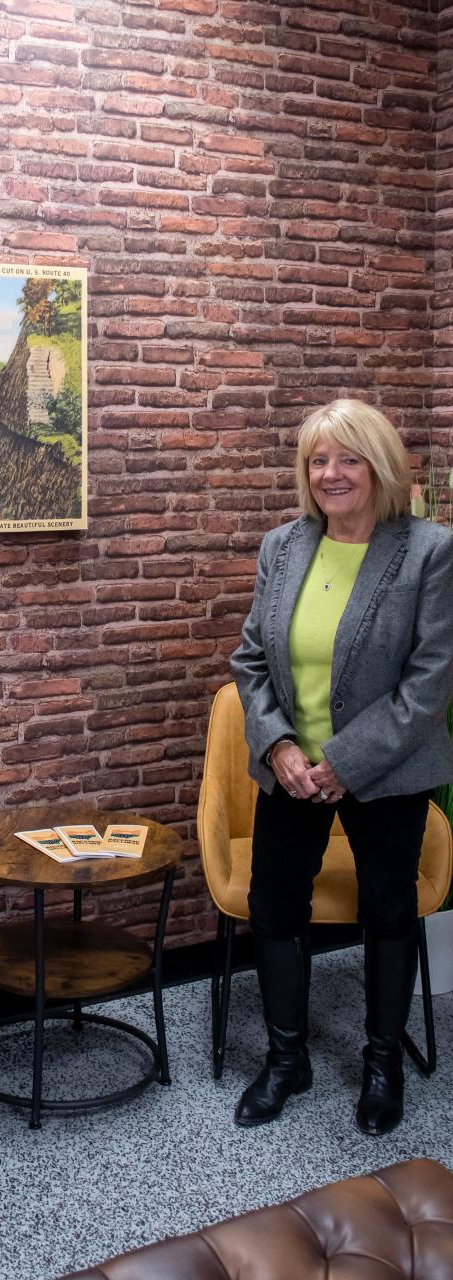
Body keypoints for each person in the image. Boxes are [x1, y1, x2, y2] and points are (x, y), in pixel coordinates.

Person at [231, 398, 453, 1136]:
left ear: (379, 465)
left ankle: (382, 1063)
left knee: (389, 914)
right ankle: (287, 1060)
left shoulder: (428, 552)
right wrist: (282, 748)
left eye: (348, 458)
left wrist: (345, 764)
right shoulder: (283, 547)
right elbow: (251, 657)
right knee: (273, 910)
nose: (332, 474)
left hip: (385, 773)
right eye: (319, 460)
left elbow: (427, 685)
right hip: (291, 771)